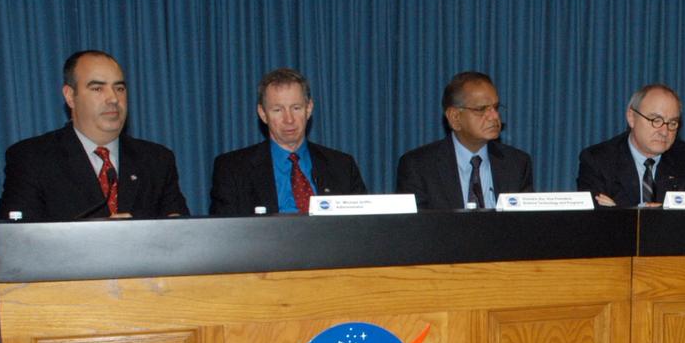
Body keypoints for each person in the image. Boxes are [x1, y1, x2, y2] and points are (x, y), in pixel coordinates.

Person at [0, 50, 189, 221]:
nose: (113, 99)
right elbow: (18, 241)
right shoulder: (32, 159)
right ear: (70, 96)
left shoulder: (156, 160)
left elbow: (182, 236)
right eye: (97, 88)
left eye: (119, 88)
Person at [210, 68, 367, 216]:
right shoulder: (233, 169)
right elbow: (224, 231)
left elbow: (364, 227)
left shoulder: (342, 166)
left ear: (309, 109)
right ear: (263, 114)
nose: (289, 119)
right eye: (278, 110)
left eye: (296, 108)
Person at [396, 71, 533, 210]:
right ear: (454, 117)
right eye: (481, 109)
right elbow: (415, 223)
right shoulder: (419, 167)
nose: (495, 116)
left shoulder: (517, 164)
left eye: (496, 108)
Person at [576, 84, 685, 207]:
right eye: (656, 120)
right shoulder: (597, 160)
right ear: (632, 118)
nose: (664, 132)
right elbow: (595, 218)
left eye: (672, 123)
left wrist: (619, 210)